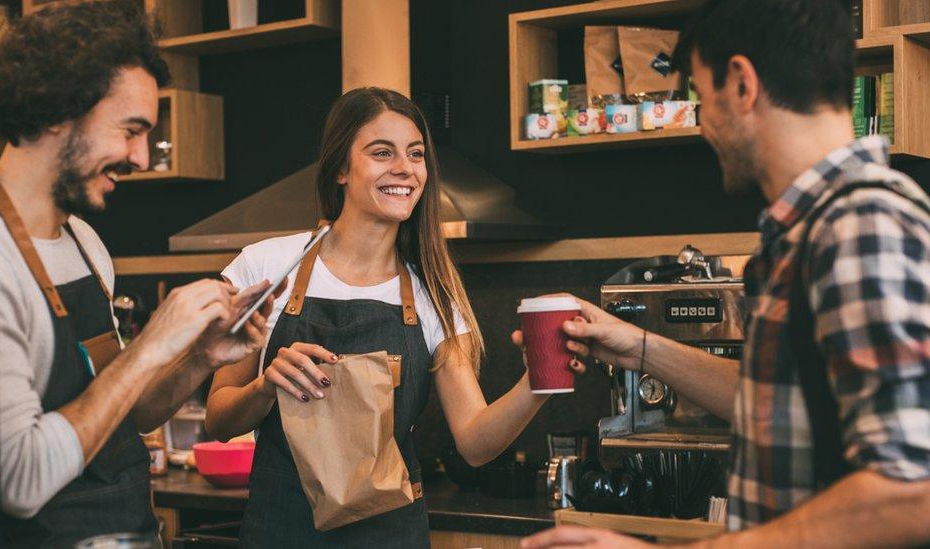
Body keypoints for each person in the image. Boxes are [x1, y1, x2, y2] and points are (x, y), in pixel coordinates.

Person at [520, 0, 930, 547]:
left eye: (700, 98)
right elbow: (779, 405)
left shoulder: (858, 226)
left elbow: (910, 493)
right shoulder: (815, 231)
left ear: (741, 84)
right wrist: (635, 347)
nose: (701, 123)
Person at [0, 2, 278, 546]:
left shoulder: (85, 243)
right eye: (131, 130)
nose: (142, 157)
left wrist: (200, 357)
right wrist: (151, 345)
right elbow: (21, 480)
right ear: (58, 110)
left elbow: (120, 414)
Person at [205, 87, 584, 547]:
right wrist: (266, 385)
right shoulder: (266, 267)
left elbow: (475, 443)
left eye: (416, 154)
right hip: (281, 528)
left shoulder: (434, 294)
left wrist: (538, 381)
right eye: (382, 152)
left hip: (389, 534)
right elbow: (219, 421)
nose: (405, 168)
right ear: (341, 168)